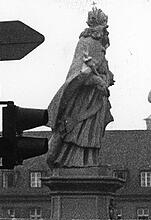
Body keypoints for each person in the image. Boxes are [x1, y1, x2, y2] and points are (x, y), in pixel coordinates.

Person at [46, 6, 114, 169]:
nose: (106, 33)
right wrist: (97, 81)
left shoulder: (98, 46)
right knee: (79, 128)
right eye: (105, 29)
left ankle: (89, 160)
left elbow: (101, 68)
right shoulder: (87, 42)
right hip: (84, 99)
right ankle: (73, 160)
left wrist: (108, 77)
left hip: (96, 98)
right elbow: (79, 71)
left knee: (91, 130)